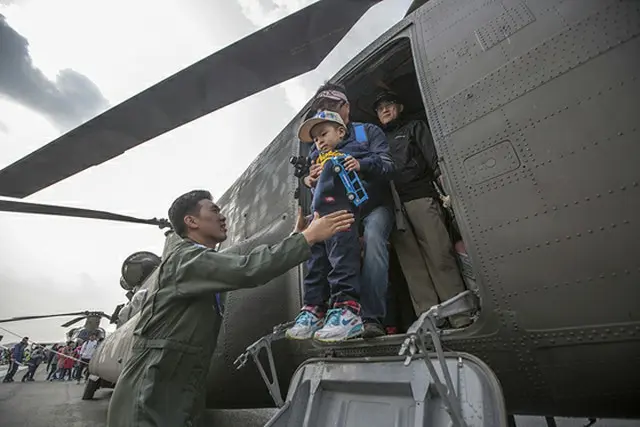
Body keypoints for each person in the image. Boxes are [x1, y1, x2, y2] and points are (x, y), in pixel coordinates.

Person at [106, 189, 354, 427]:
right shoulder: (184, 260)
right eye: (214, 211)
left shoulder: (198, 260)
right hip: (150, 396)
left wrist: (295, 239)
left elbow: (239, 265)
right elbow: (246, 269)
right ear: (191, 221)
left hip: (171, 390)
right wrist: (307, 238)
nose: (222, 216)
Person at [302, 83, 395, 338]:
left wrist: (360, 164)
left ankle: (372, 318)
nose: (325, 114)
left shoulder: (368, 132)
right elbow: (314, 184)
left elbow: (388, 166)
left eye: (331, 108)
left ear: (346, 108)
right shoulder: (317, 148)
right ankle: (329, 310)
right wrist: (310, 179)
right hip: (344, 211)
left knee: (375, 240)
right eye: (321, 110)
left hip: (374, 206)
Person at [374, 91, 471, 328]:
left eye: (389, 105)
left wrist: (446, 188)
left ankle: (460, 316)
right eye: (380, 109)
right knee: (412, 266)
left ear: (400, 107)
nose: (385, 110)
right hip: (394, 207)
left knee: (440, 255)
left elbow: (434, 160)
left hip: (420, 197)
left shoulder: (415, 127)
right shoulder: (376, 142)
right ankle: (431, 322)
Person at [286, 110, 385, 342]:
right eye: (316, 139)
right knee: (315, 259)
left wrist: (357, 163)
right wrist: (309, 179)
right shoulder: (316, 162)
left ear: (341, 131)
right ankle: (313, 309)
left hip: (341, 213)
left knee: (342, 258)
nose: (319, 141)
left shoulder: (353, 150)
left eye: (323, 134)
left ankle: (347, 310)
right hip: (319, 218)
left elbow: (377, 163)